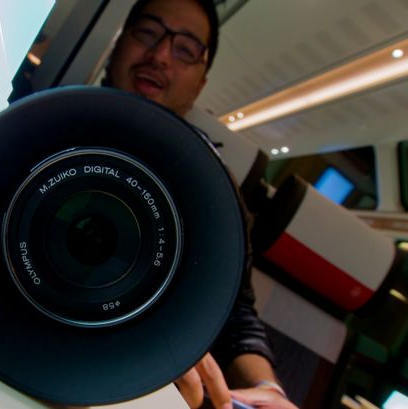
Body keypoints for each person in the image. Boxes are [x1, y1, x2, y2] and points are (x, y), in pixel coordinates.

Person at [102, 1, 298, 408]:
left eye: (186, 50)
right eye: (147, 33)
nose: (159, 56)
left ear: (201, 83)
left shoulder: (210, 190)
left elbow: (235, 311)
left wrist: (268, 390)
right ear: (120, 41)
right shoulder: (40, 120)